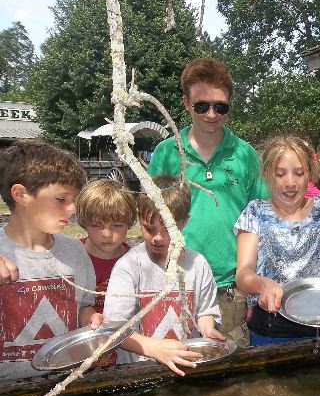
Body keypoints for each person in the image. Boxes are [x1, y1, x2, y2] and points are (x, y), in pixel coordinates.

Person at [147, 58, 268, 348]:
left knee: (230, 362)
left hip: (231, 287)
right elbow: (149, 216)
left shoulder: (245, 155)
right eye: (202, 106)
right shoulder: (166, 153)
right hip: (176, 281)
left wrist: (253, 285)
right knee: (175, 357)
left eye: (220, 107)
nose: (211, 114)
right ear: (186, 103)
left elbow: (262, 220)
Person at [234, 135, 320, 346]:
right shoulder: (254, 213)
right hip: (270, 327)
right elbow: (243, 274)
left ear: (310, 174)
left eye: (299, 173)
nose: (290, 183)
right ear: (267, 174)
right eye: (280, 174)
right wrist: (261, 284)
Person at [103, 175, 224, 376]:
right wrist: (154, 348)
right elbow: (114, 330)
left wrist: (207, 330)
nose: (158, 238)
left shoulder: (198, 264)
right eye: (149, 228)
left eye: (168, 229)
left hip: (186, 369)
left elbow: (204, 312)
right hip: (139, 373)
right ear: (139, 216)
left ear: (184, 222)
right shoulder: (128, 267)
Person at [0, 140, 99, 380]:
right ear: (21, 194)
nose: (73, 209)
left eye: (74, 199)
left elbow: (82, 307)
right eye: (61, 199)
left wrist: (91, 319)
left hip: (65, 382)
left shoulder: (75, 252)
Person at [76, 179, 137, 366]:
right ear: (84, 222)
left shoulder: (136, 262)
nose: (107, 234)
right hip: (81, 353)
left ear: (129, 222)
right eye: (96, 225)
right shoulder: (72, 257)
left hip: (127, 353)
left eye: (116, 225)